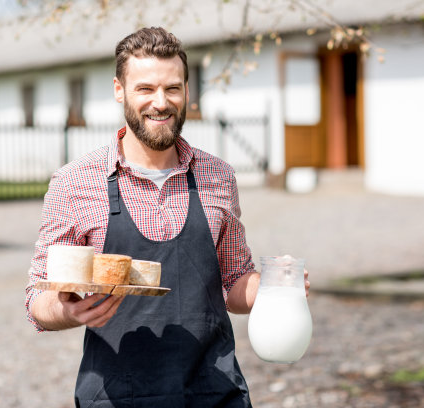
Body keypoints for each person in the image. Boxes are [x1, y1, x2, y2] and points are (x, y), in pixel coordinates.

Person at [26, 27, 310, 407]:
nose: (161, 102)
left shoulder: (218, 176)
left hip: (213, 391)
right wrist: (68, 309)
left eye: (172, 88)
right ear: (119, 90)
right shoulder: (74, 182)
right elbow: (36, 299)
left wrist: (275, 288)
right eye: (145, 88)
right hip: (116, 397)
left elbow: (233, 282)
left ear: (187, 92)